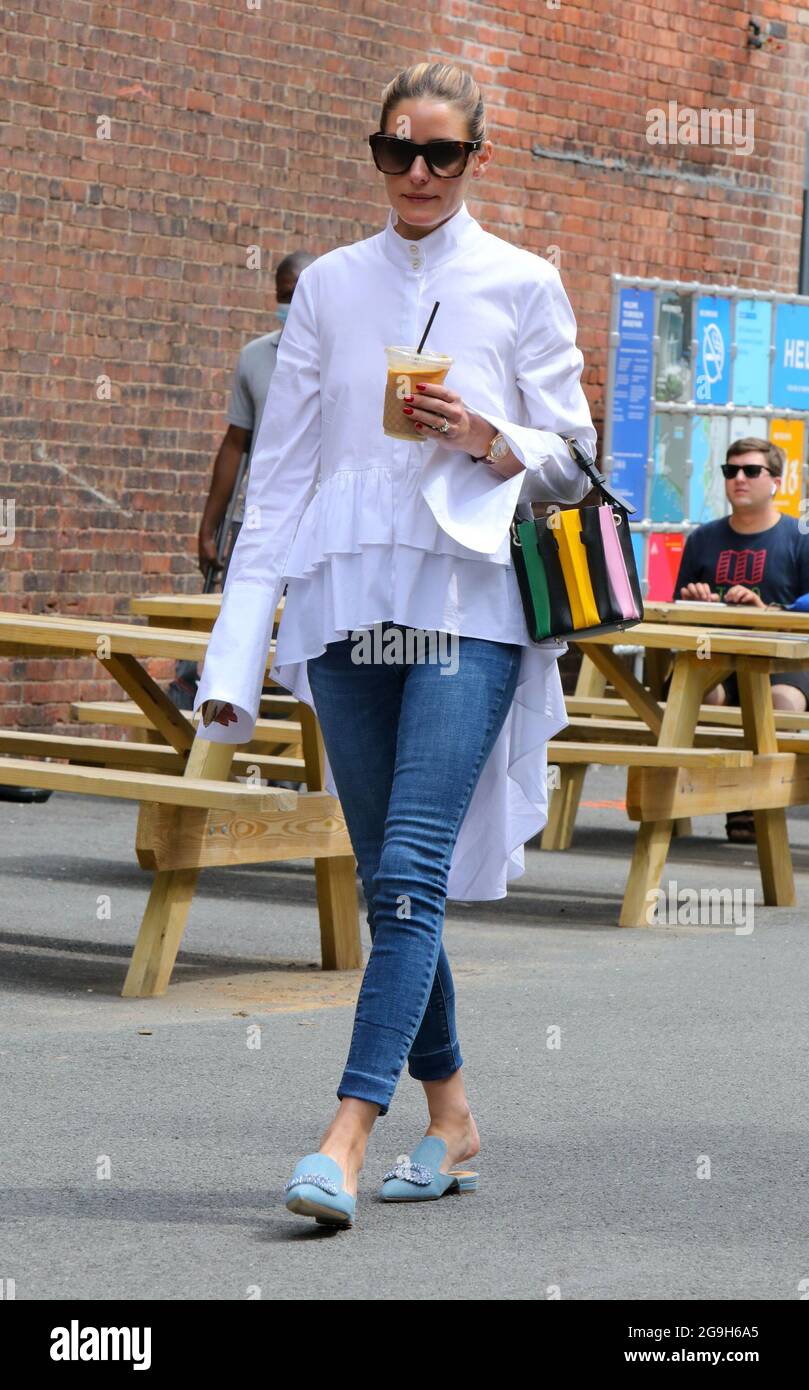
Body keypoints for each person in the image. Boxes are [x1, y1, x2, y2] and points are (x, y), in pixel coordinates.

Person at [194, 60, 597, 1228]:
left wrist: (485, 433)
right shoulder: (325, 285)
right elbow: (276, 479)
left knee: (410, 873)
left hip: (467, 608)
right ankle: (454, 1115)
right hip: (343, 608)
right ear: (374, 156)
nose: (416, 174)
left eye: (442, 155)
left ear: (476, 160)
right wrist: (234, 657)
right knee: (389, 888)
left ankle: (344, 1134)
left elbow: (573, 458)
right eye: (395, 153)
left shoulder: (521, 282)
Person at [168, 252, 315, 711]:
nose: (290, 306)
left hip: (318, 522)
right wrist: (208, 527)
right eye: (283, 297)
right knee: (243, 626)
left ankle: (296, 742)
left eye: (299, 296)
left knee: (306, 637)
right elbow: (235, 443)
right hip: (261, 517)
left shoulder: (342, 356)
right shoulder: (255, 357)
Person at [673, 435, 809, 841]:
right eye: (731, 471)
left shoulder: (798, 539)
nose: (740, 479)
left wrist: (764, 610)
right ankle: (695, 797)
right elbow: (676, 611)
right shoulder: (702, 538)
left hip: (782, 664)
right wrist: (695, 600)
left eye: (752, 470)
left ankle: (754, 805)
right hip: (712, 659)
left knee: (781, 705)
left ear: (776, 480)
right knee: (695, 699)